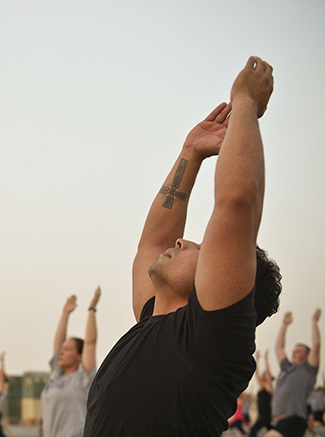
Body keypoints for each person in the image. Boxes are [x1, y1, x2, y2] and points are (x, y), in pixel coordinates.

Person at [83, 57, 282, 437]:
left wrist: (245, 103)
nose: (181, 241)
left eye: (204, 250)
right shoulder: (152, 322)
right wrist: (191, 152)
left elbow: (237, 200)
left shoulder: (212, 341)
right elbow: (153, 243)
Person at [42, 287, 101, 437]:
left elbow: (90, 343)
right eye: (63, 349)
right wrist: (65, 314)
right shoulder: (57, 374)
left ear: (79, 356)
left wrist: (91, 308)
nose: (61, 352)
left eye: (68, 349)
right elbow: (57, 344)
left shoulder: (83, 378)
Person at [266, 309, 321, 437]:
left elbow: (316, 345)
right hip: (279, 421)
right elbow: (279, 348)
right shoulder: (286, 368)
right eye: (293, 350)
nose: (293, 353)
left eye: (298, 351)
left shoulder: (308, 369)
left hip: (294, 420)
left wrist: (314, 322)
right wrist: (284, 325)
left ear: (307, 356)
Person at [249, 349, 274, 437]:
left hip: (266, 414)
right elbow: (256, 373)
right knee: (272, 429)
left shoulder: (269, 386)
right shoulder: (261, 386)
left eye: (265, 374)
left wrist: (266, 359)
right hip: (262, 413)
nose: (263, 374)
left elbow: (268, 372)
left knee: (253, 430)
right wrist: (257, 359)